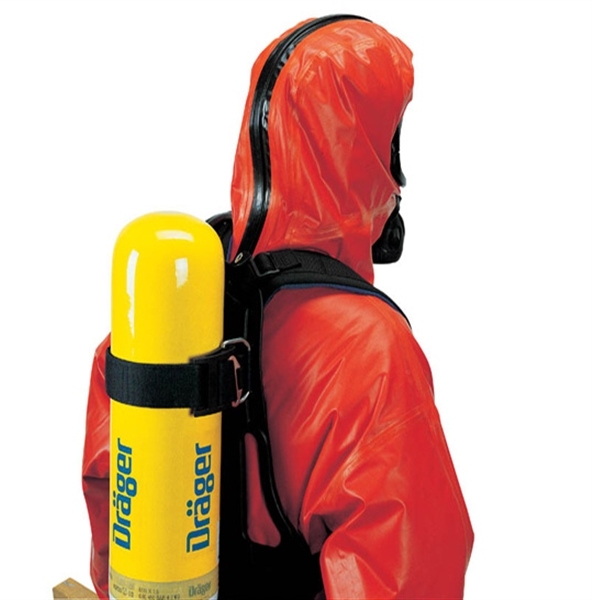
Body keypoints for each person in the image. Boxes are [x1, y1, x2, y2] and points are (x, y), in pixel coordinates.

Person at [83, 15, 474, 599]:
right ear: (369, 150)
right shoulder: (371, 353)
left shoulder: (164, 319)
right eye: (392, 140)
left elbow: (111, 520)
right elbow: (411, 577)